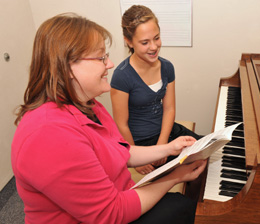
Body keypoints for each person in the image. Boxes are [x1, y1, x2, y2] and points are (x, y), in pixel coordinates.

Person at [11, 13, 207, 224]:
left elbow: (121, 151)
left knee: (184, 203)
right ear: (67, 66)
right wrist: (175, 177)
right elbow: (110, 214)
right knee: (186, 209)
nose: (110, 64)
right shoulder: (49, 133)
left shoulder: (88, 104)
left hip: (120, 196)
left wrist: (169, 149)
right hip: (110, 214)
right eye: (101, 57)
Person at [110, 5, 201, 175]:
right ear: (128, 41)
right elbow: (121, 124)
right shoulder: (122, 76)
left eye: (156, 38)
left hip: (165, 134)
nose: (153, 47)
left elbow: (169, 108)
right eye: (145, 42)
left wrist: (163, 144)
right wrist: (135, 158)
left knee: (206, 149)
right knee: (191, 167)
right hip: (141, 143)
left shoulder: (167, 67)